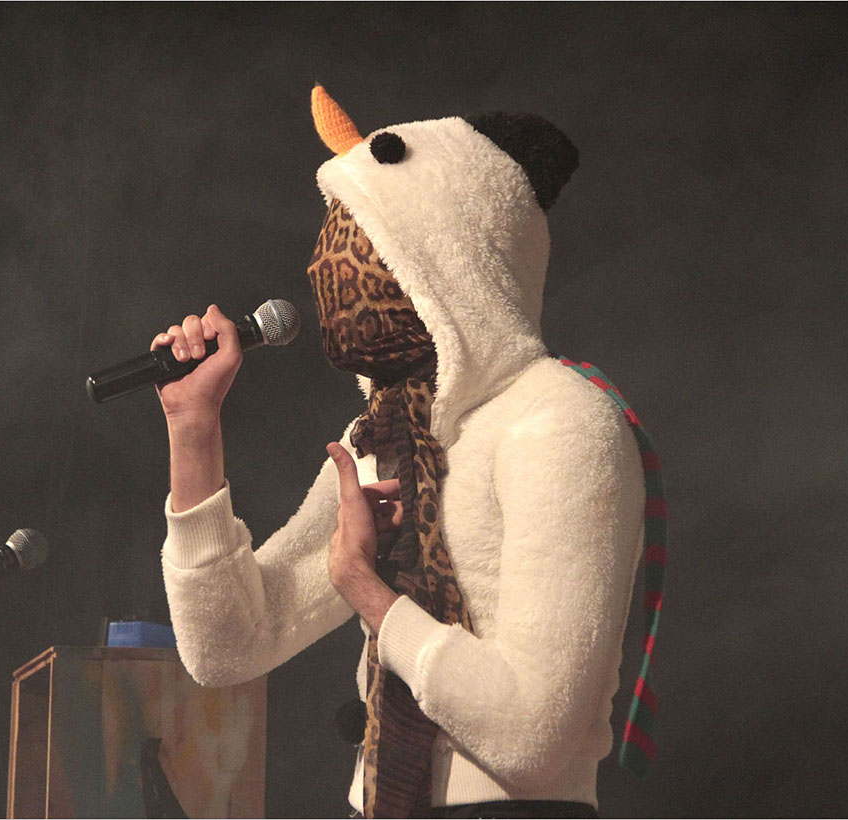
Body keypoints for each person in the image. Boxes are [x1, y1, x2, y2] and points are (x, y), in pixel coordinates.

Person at [150, 88, 647, 819]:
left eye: (367, 240)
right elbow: (227, 647)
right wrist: (192, 428)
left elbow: (535, 737)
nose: (330, 273)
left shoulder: (561, 422)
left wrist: (366, 588)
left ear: (452, 263)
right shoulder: (386, 433)